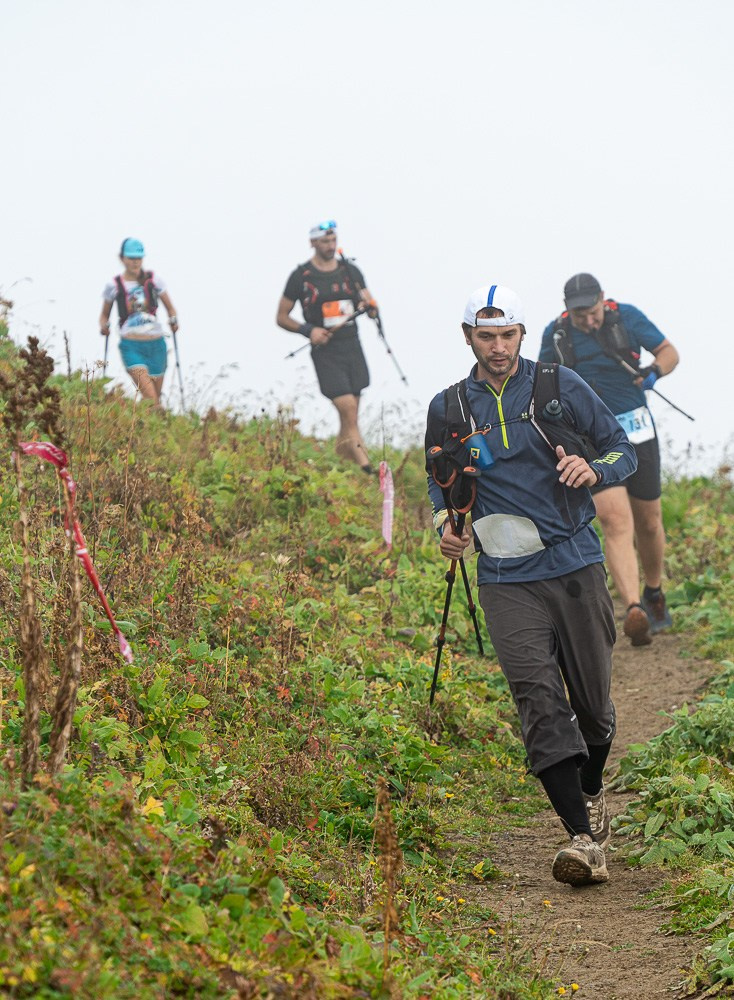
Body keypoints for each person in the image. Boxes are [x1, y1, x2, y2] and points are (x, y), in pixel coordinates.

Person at [426, 283, 637, 886]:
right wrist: (448, 526)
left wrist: (593, 468)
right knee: (538, 701)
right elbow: (441, 484)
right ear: (468, 336)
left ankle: (592, 789)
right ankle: (580, 837)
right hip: (503, 575)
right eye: (486, 336)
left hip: (574, 564)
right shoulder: (448, 408)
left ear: (522, 335)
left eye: (508, 335)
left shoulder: (560, 386)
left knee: (593, 710)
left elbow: (624, 451)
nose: (498, 347)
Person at [539, 274, 680, 646]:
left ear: (603, 299)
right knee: (614, 519)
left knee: (649, 522)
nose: (587, 320)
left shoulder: (627, 318)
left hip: (637, 430)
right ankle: (634, 609)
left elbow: (669, 352)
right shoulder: (555, 335)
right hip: (591, 439)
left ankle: (653, 591)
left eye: (592, 311)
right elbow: (537, 384)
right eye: (579, 314)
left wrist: (654, 372)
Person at [276, 221, 377, 473]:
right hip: (325, 351)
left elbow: (369, 300)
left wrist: (371, 308)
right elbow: (282, 316)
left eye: (333, 241)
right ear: (312, 243)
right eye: (324, 241)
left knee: (351, 412)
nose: (331, 246)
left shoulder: (350, 271)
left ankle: (341, 461)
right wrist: (308, 331)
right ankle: (367, 467)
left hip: (352, 345)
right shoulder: (301, 277)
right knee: (348, 408)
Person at [99, 238, 179, 409]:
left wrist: (173, 320)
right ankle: (157, 427)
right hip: (131, 346)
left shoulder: (154, 280)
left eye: (138, 258)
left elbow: (171, 309)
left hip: (156, 345)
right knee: (151, 399)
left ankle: (144, 430)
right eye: (131, 258)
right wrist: (104, 326)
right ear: (122, 258)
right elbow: (104, 315)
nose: (135, 262)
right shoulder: (113, 285)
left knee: (154, 400)